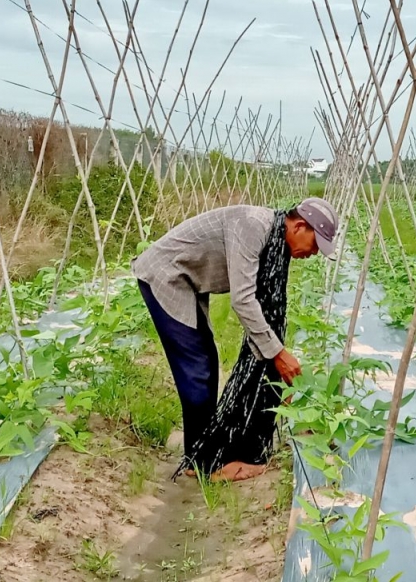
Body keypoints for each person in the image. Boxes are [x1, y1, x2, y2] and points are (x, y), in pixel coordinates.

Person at [131, 197, 338, 482]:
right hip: (166, 275)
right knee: (197, 367)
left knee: (206, 361)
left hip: (187, 279)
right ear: (300, 226)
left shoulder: (273, 235)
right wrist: (277, 354)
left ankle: (203, 452)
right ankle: (201, 461)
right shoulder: (254, 227)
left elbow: (263, 312)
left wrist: (272, 361)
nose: (314, 253)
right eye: (315, 244)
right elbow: (243, 301)